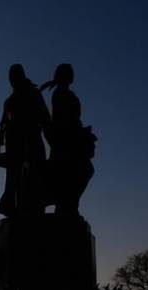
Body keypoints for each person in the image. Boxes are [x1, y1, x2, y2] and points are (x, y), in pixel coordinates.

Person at [0, 64, 50, 216]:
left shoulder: (33, 94)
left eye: (14, 76)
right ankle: (13, 209)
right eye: (10, 77)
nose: (12, 80)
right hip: (14, 146)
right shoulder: (9, 102)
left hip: (32, 144)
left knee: (32, 184)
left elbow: (46, 119)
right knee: (14, 184)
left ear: (21, 76)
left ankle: (29, 212)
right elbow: (2, 127)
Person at [41, 64, 96, 215]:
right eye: (69, 73)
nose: (72, 76)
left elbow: (71, 119)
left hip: (70, 139)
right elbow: (64, 120)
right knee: (81, 171)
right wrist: (79, 133)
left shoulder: (64, 93)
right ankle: (66, 204)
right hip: (66, 141)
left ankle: (67, 204)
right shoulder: (61, 94)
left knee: (81, 171)